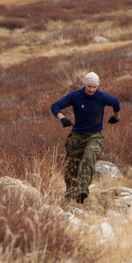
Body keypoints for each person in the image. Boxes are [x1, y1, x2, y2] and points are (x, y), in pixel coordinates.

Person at [51, 72, 120, 203]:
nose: (92, 90)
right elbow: (55, 106)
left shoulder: (102, 97)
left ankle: (83, 190)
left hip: (95, 135)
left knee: (89, 157)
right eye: (89, 86)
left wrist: (116, 116)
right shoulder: (75, 96)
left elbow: (116, 103)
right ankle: (71, 194)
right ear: (84, 84)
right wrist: (62, 118)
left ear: (98, 86)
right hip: (77, 135)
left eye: (94, 87)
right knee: (72, 166)